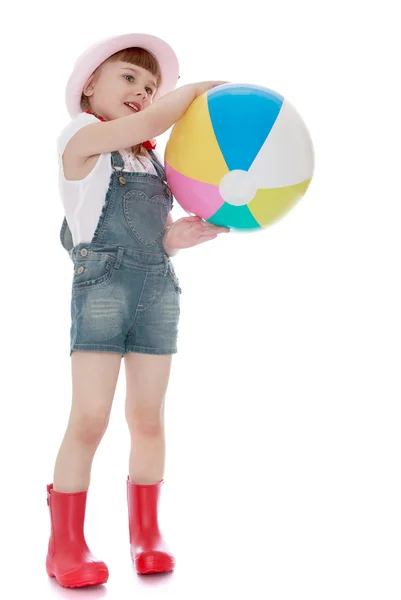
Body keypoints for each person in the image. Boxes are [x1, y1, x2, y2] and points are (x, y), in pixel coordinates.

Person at [46, 32, 229, 589]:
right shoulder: (81, 138)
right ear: (90, 86)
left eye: (152, 87)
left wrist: (180, 236)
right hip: (101, 287)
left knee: (148, 418)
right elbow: (144, 129)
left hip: (158, 288)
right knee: (91, 418)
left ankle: (146, 531)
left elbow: (152, 239)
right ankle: (65, 543)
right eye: (129, 78)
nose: (144, 93)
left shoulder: (149, 163)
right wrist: (194, 91)